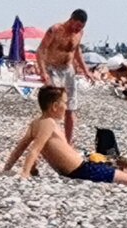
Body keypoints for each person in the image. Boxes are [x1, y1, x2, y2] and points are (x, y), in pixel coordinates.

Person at [1, 86, 127, 197]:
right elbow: (34, 149)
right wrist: (24, 174)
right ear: (55, 106)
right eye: (64, 102)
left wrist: (7, 169)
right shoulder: (48, 123)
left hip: (81, 168)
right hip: (83, 170)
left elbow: (20, 148)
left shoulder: (36, 123)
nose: (66, 106)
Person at [35, 9, 94, 145]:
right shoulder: (55, 30)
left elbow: (77, 51)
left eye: (81, 27)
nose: (78, 29)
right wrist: (43, 72)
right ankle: (47, 138)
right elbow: (41, 50)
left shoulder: (79, 33)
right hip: (52, 68)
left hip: (68, 69)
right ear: (71, 20)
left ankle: (68, 142)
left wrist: (86, 70)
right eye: (77, 26)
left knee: (70, 106)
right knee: (53, 104)